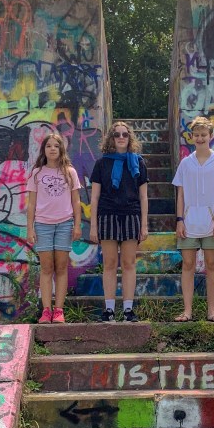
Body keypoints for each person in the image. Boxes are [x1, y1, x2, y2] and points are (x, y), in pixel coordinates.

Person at [172, 115, 214, 322]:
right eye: (196, 135)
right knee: (188, 264)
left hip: (211, 223)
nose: (200, 138)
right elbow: (180, 194)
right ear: (191, 137)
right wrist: (179, 220)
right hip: (189, 222)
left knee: (211, 264)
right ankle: (187, 311)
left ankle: (211, 311)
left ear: (210, 136)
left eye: (203, 135)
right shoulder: (185, 163)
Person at [89, 120, 148, 322]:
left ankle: (128, 310)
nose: (121, 137)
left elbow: (143, 197)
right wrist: (93, 226)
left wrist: (145, 224)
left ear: (129, 138)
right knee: (110, 263)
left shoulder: (138, 162)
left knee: (129, 263)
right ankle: (109, 310)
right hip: (107, 215)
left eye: (125, 134)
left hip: (131, 214)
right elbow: (94, 197)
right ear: (111, 139)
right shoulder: (101, 163)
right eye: (117, 134)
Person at [26, 132, 82, 324]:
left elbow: (76, 200)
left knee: (61, 267)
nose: (52, 149)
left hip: (65, 224)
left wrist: (77, 225)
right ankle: (46, 311)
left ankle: (59, 310)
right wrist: (30, 229)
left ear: (61, 149)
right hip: (42, 225)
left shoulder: (70, 172)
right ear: (44, 150)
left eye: (55, 146)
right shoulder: (37, 173)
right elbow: (31, 204)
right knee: (46, 268)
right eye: (48, 145)